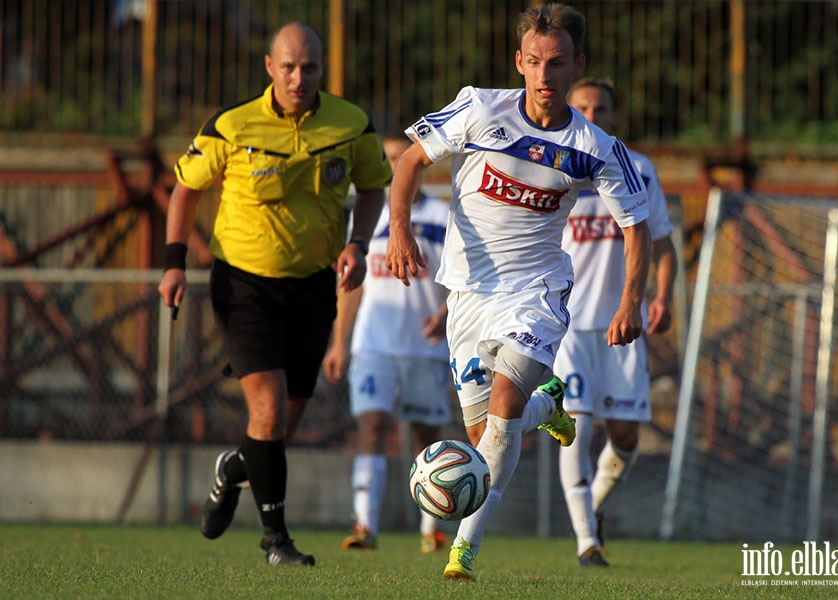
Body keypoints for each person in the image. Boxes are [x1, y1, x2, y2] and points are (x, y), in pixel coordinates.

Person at [385, 3, 652, 582]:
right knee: (484, 437)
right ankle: (548, 404)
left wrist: (631, 299)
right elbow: (407, 163)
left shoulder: (598, 147)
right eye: (533, 62)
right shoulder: (480, 109)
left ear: (577, 66)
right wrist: (400, 231)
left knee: (503, 408)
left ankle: (463, 551)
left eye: (557, 64)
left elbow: (637, 228)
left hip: (538, 291)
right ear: (518, 62)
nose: (544, 76)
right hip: (468, 294)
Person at [157, 21, 392, 566]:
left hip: (313, 287)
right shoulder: (232, 125)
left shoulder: (350, 124)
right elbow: (185, 190)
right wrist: (173, 265)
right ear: (270, 67)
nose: (298, 77)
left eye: (309, 67)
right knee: (265, 410)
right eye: (288, 66)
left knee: (278, 430)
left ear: (321, 69)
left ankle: (233, 470)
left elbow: (375, 187)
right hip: (243, 285)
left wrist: (358, 243)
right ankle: (276, 542)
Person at [557, 77, 678, 567]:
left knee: (626, 438)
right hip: (566, 326)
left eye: (600, 107)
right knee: (577, 428)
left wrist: (663, 297)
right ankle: (588, 541)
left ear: (612, 115)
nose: (591, 113)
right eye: (581, 105)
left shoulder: (638, 170)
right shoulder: (551, 162)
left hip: (623, 326)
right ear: (570, 109)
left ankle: (593, 509)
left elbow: (663, 245)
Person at [321, 132, 452, 554]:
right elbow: (350, 286)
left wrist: (449, 313)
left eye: (404, 157)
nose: (396, 166)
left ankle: (430, 528)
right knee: (372, 427)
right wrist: (339, 343)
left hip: (424, 346)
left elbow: (463, 275)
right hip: (373, 345)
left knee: (426, 436)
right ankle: (365, 525)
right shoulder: (368, 218)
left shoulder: (443, 216)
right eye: (388, 158)